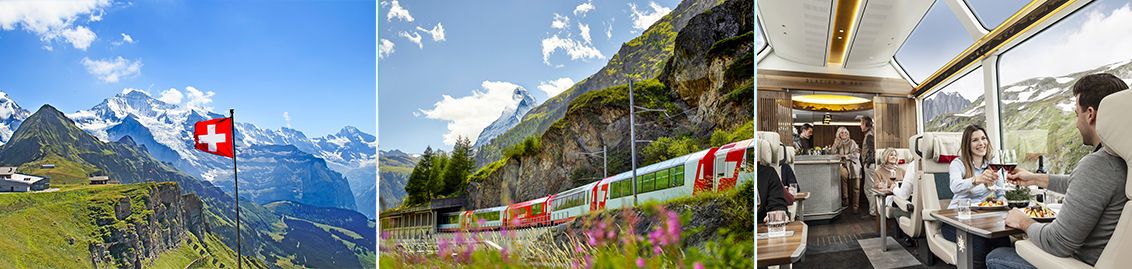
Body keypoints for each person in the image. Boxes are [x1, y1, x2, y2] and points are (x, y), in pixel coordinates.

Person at [987, 73, 1129, 269]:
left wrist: (1023, 222)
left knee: (995, 255)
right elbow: (1083, 185)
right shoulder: (1124, 158)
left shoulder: (1098, 164)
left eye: (1076, 114)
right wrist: (1034, 178)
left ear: (1090, 114)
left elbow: (1058, 243)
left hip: (1079, 262)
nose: (1076, 123)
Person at [944, 124, 1009, 268]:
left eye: (983, 138)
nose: (981, 143)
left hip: (984, 218)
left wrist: (1001, 202)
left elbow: (1000, 192)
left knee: (1003, 240)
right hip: (956, 219)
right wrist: (977, 179)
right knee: (979, 245)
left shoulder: (992, 165)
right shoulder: (958, 163)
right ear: (967, 144)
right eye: (975, 140)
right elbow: (955, 186)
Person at [832, 126, 863, 214]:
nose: (844, 134)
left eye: (846, 132)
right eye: (842, 132)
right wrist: (835, 144)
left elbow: (856, 155)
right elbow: (832, 154)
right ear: (838, 134)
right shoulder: (837, 143)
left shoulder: (852, 142)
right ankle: (845, 199)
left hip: (854, 165)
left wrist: (845, 156)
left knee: (856, 187)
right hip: (843, 165)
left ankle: (855, 206)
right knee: (842, 176)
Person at [860, 116, 878, 216]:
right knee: (869, 188)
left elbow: (873, 151)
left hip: (870, 165)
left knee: (869, 189)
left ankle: (873, 211)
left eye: (861, 124)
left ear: (866, 124)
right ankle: (874, 210)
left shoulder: (869, 135)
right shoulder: (872, 133)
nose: (860, 126)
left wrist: (867, 162)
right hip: (871, 164)